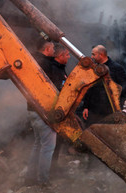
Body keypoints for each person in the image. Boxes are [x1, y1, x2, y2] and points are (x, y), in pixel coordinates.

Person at [25, 40, 59, 187]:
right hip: (43, 111)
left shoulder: (31, 59)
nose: (54, 51)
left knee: (38, 145)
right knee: (48, 147)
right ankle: (43, 181)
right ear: (47, 49)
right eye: (52, 48)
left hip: (32, 109)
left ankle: (29, 178)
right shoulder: (45, 64)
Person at [82, 45, 126, 127]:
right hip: (94, 111)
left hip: (110, 110)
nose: (91, 57)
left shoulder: (116, 68)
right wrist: (86, 106)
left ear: (101, 55)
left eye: (93, 54)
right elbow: (89, 88)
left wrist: (115, 94)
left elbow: (125, 84)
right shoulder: (93, 68)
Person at [50, 44, 70, 173]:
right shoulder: (53, 69)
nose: (68, 57)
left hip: (62, 110)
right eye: (67, 55)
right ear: (60, 56)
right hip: (55, 110)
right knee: (53, 142)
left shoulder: (61, 68)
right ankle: (51, 169)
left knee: (59, 141)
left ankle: (54, 166)